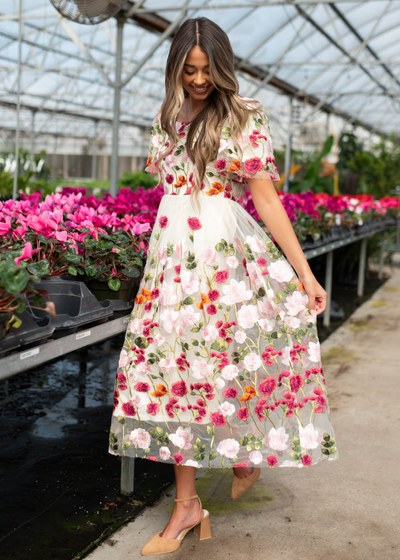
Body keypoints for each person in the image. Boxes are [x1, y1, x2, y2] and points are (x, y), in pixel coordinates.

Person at [108, 16, 339, 556]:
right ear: (175, 69)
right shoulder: (166, 116)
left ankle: (244, 449)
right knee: (172, 371)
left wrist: (304, 273)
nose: (197, 80)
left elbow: (265, 200)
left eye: (207, 70)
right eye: (188, 70)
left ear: (222, 67)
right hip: (170, 259)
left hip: (220, 255)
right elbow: (167, 187)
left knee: (226, 359)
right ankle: (187, 505)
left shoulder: (242, 116)